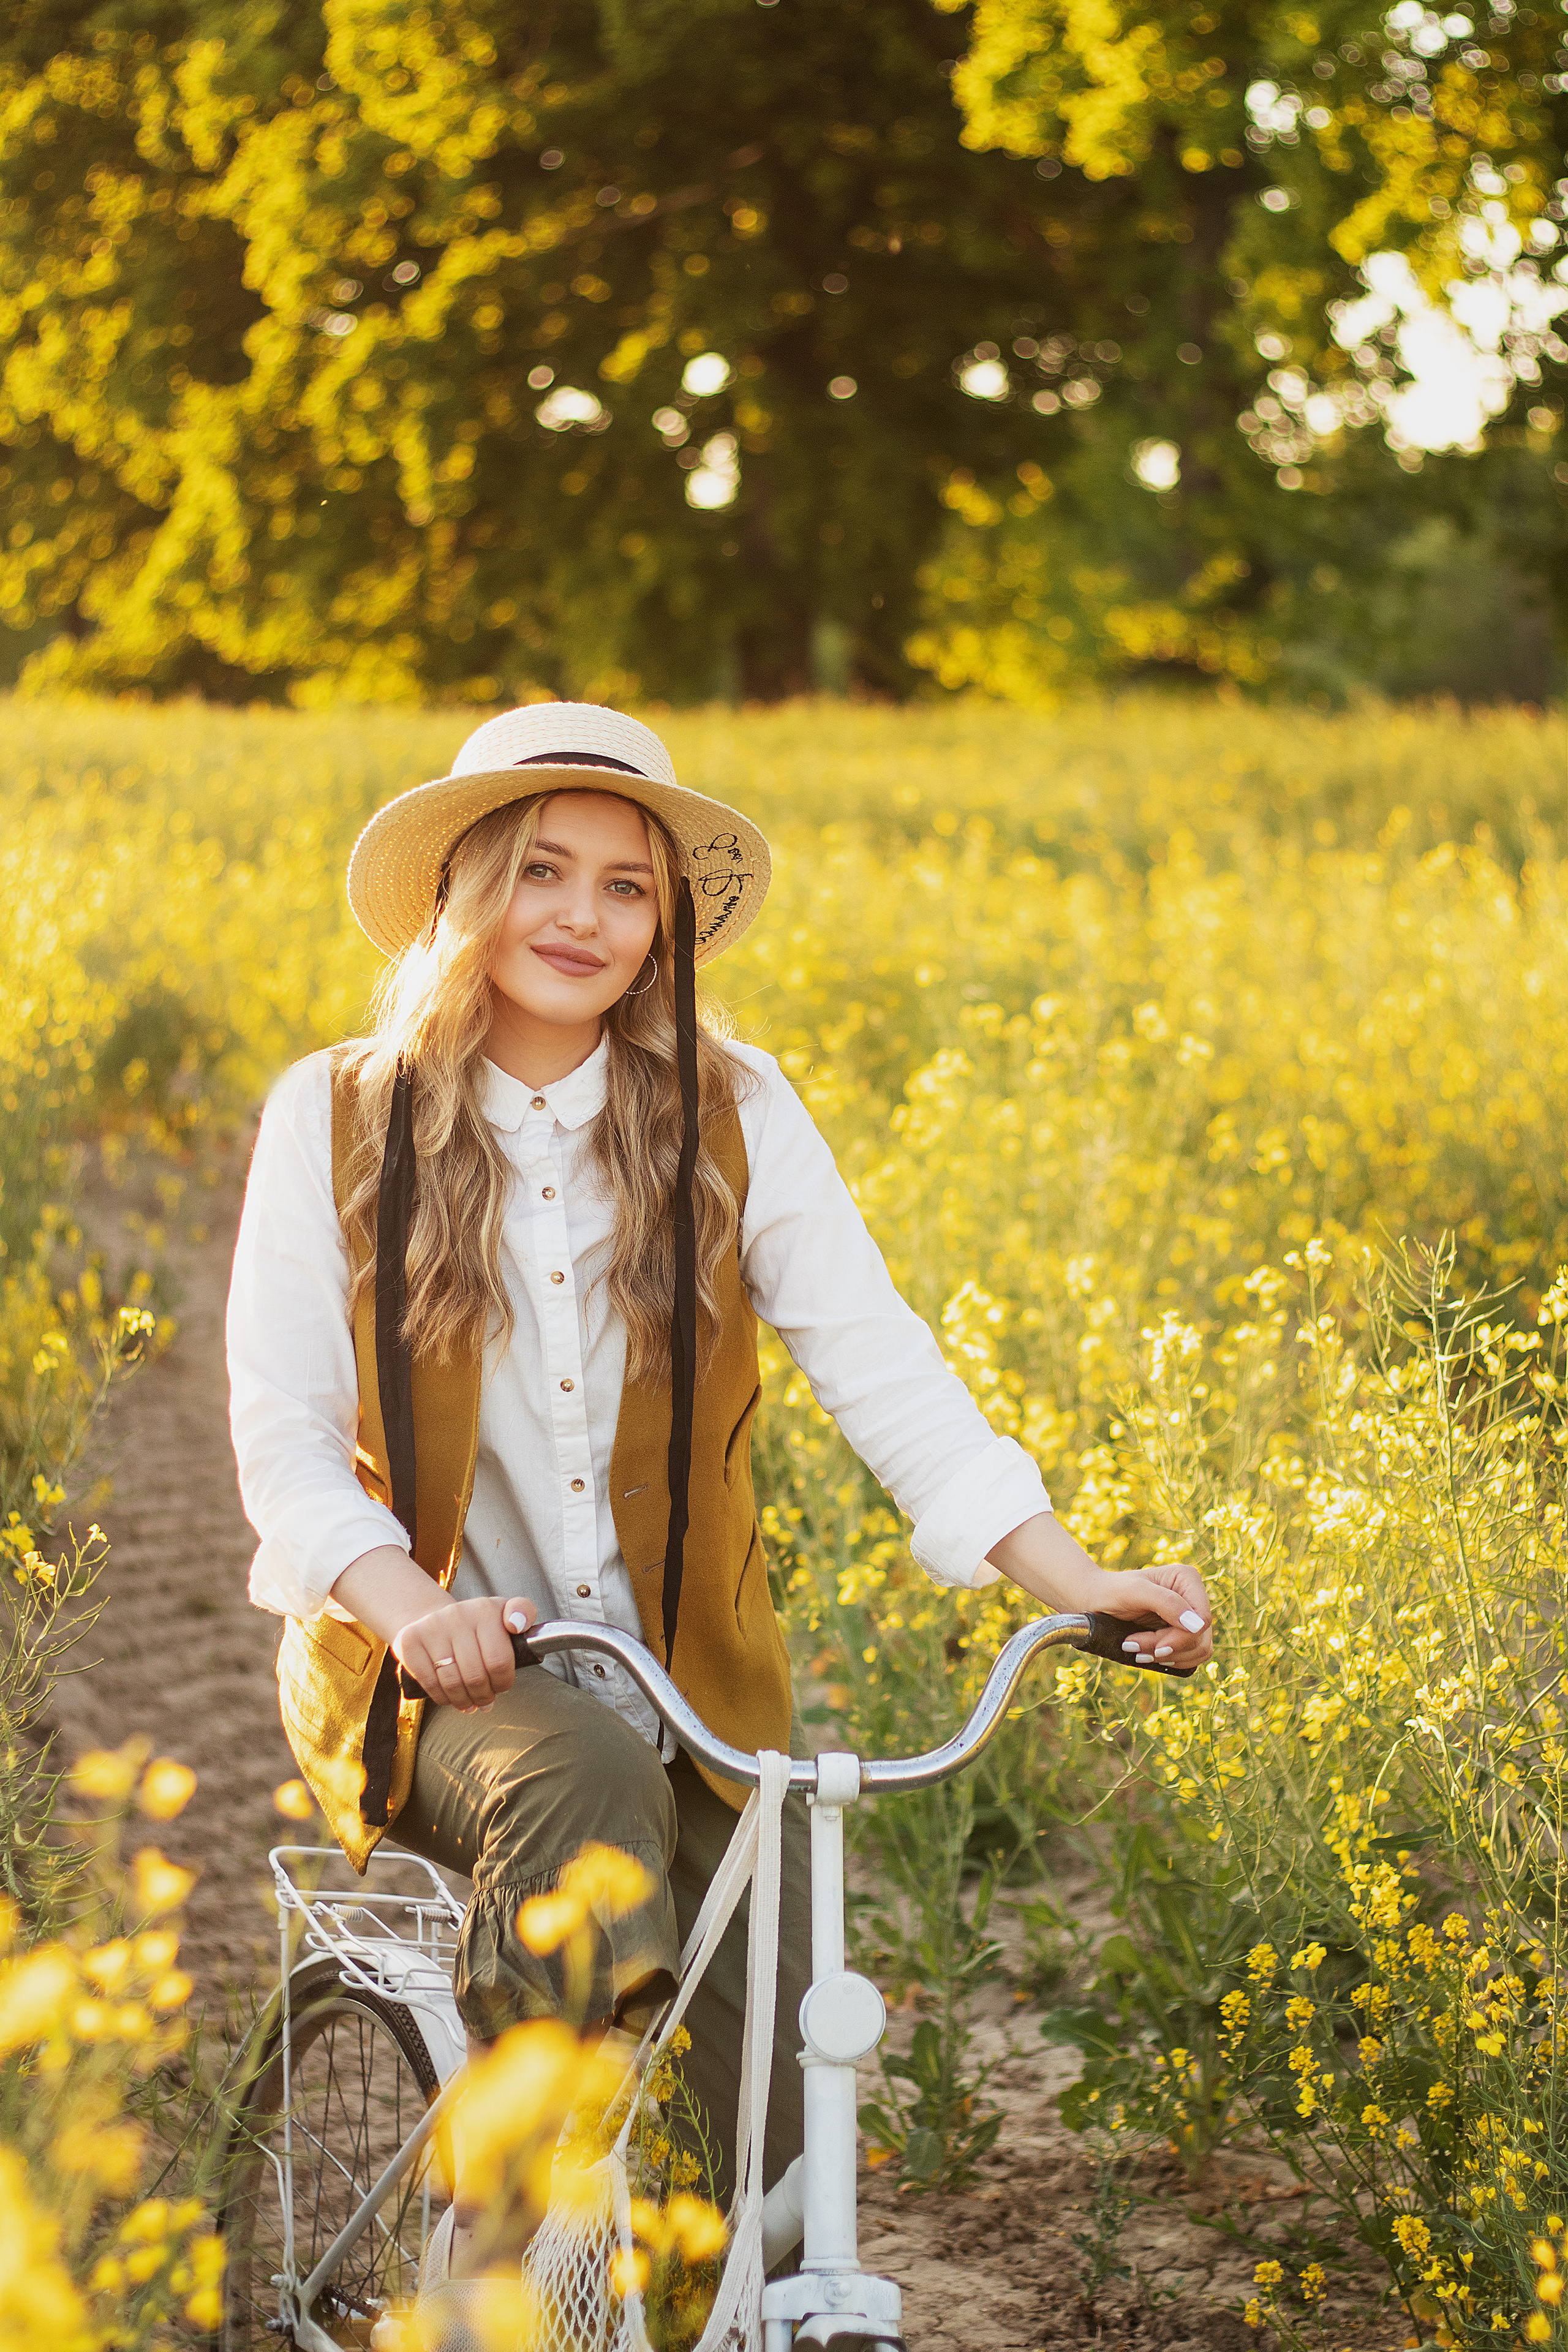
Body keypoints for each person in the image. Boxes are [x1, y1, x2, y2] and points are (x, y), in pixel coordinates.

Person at [226, 701, 1213, 2288]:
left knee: (784, 2093)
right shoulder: (338, 1116)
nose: (585, 918)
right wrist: (416, 1616)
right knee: (578, 1794)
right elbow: (279, 1437)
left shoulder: (734, 1113)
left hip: (693, 1686)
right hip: (442, 1681)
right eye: (543, 871)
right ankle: (494, 2267)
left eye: (630, 888)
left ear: (669, 926)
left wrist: (1070, 1575)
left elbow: (881, 1365)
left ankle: (724, 2288)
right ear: (459, 892)